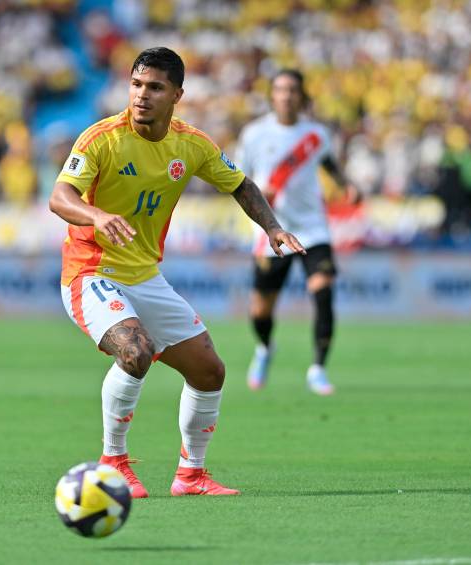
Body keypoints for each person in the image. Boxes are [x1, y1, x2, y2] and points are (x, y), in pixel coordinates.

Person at [49, 47, 305, 498]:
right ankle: (114, 464)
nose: (141, 96)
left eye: (154, 88)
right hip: (91, 272)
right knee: (135, 351)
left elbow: (241, 184)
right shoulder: (100, 138)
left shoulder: (191, 145)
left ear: (177, 95)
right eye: (136, 85)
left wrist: (273, 228)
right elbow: (60, 198)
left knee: (209, 371)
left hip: (144, 275)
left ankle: (191, 476)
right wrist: (95, 215)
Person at [235, 69, 358, 396]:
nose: (286, 95)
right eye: (279, 89)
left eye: (292, 90)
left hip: (312, 228)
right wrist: (262, 196)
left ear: (302, 96)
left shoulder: (316, 134)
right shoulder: (253, 134)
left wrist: (347, 185)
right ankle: (264, 348)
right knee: (261, 310)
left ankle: (318, 368)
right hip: (272, 230)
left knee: (323, 290)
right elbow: (236, 180)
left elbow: (329, 163)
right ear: (272, 95)